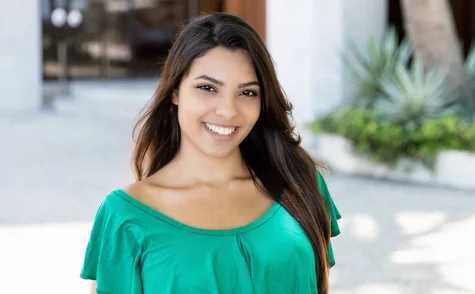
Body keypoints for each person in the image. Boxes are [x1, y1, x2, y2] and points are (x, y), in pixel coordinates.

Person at [79, 12, 341, 294]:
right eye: (207, 88)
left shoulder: (299, 183)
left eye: (247, 93)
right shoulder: (126, 216)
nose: (228, 111)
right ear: (175, 92)